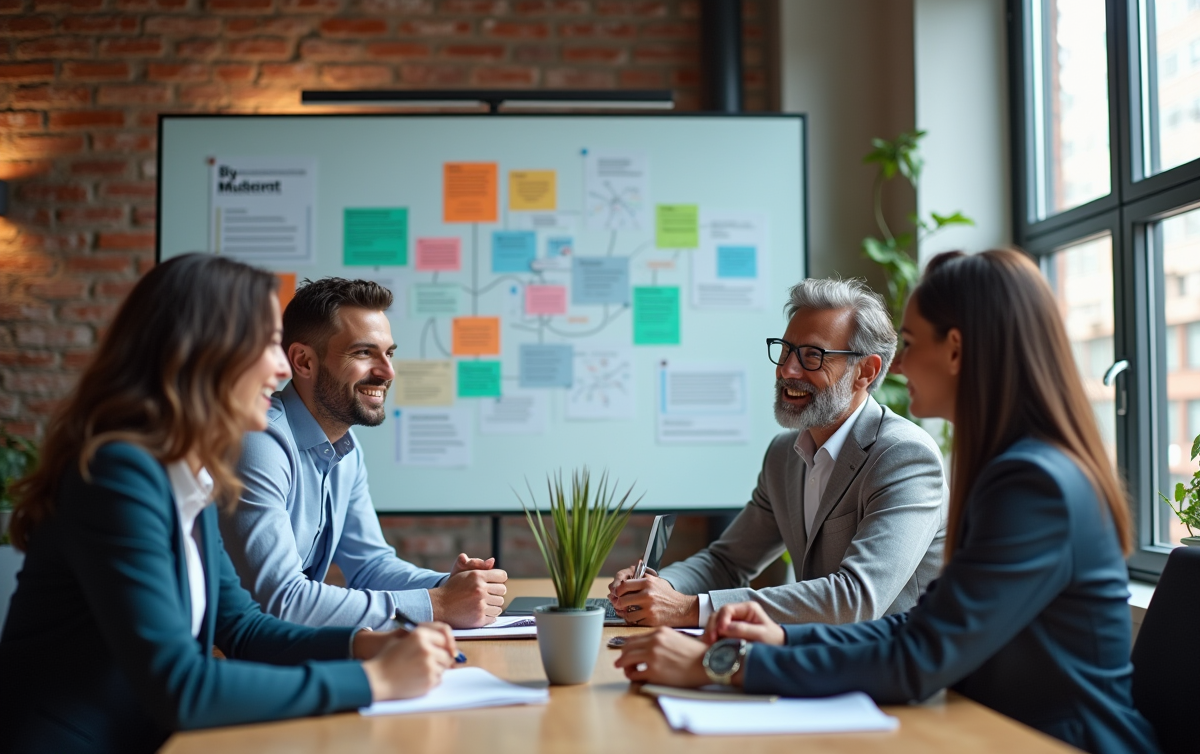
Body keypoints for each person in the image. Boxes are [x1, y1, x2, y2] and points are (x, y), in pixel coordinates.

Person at [615, 250, 1159, 754]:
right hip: (991, 727)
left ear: (956, 349)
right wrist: (777, 639)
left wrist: (723, 664)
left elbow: (916, 652)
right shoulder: (1017, 470)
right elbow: (922, 628)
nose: (899, 366)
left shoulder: (1030, 485)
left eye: (912, 343)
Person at [0, 254, 459, 754]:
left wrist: (361, 645)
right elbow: (182, 687)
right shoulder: (118, 476)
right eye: (267, 344)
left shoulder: (187, 472)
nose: (283, 366)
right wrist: (374, 681)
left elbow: (242, 626)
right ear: (204, 352)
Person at [608, 277, 947, 627]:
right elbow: (727, 562)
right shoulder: (784, 454)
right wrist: (659, 587)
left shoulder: (904, 456)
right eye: (785, 350)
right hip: (814, 661)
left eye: (813, 356)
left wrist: (689, 608)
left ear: (865, 371)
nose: (787, 370)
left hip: (889, 672)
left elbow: (855, 599)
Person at [219, 277, 506, 631]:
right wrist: (438, 604)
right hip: (224, 656)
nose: (387, 372)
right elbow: (282, 601)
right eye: (363, 352)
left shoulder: (346, 450)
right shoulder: (260, 441)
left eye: (389, 353)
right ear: (304, 362)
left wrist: (448, 586)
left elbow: (370, 566)